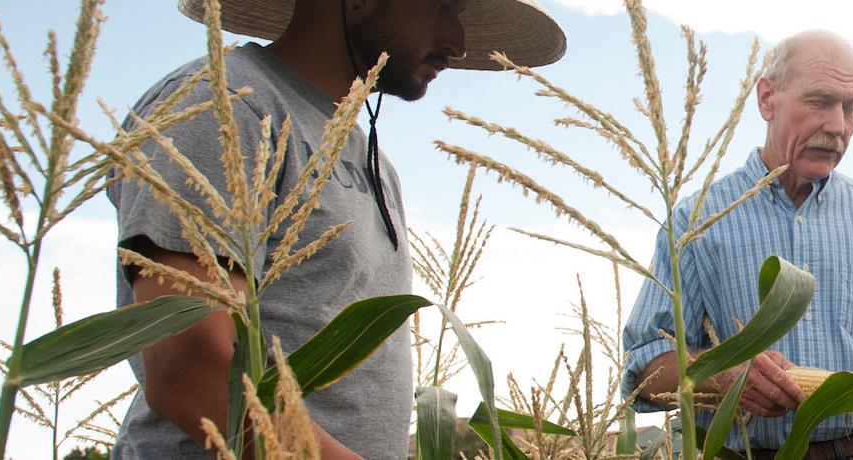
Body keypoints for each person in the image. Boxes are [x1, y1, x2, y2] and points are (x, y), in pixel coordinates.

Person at [110, 0, 566, 458]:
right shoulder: (224, 107)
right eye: (442, 6)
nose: (459, 43)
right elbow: (190, 373)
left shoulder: (371, 159)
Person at [620, 30, 853, 459]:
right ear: (767, 99)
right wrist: (722, 374)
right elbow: (646, 360)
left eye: (851, 107)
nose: (838, 126)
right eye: (820, 102)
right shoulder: (696, 221)